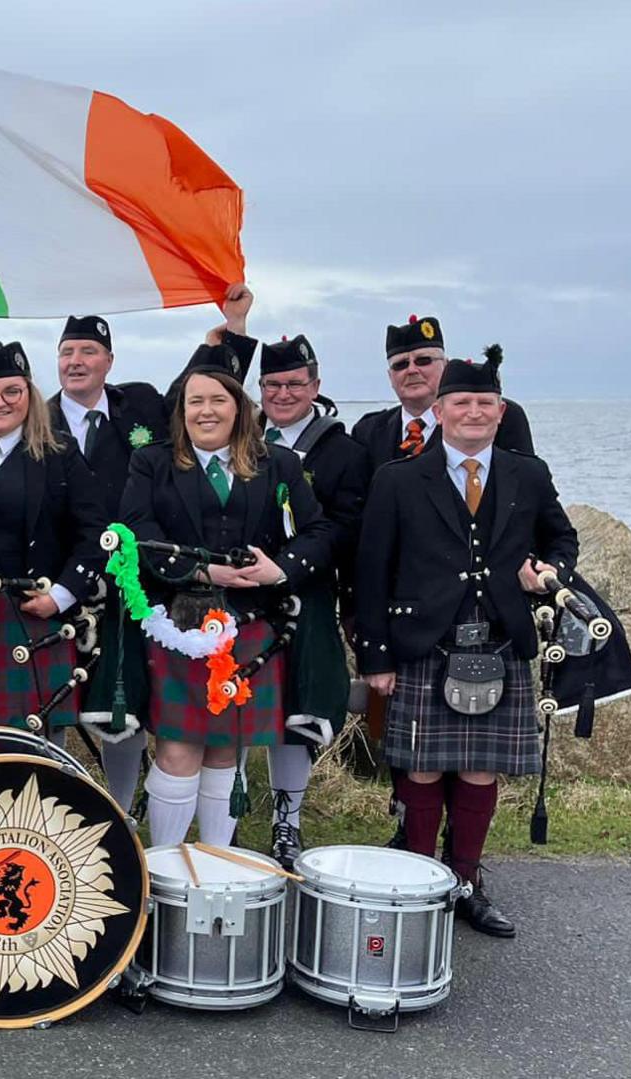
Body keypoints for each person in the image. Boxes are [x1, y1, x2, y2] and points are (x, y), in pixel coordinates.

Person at [355, 353, 576, 939]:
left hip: (499, 639)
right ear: (440, 409)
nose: (473, 412)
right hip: (424, 642)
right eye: (461, 402)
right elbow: (371, 571)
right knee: (422, 766)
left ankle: (466, 883)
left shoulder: (528, 474)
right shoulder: (398, 479)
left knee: (480, 770)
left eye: (484, 403)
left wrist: (547, 569)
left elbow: (561, 537)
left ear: (501, 413)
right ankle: (423, 880)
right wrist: (375, 658)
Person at [120, 343, 334, 848]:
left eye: (217, 400)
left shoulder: (277, 464)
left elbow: (319, 533)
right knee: (176, 750)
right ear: (181, 410)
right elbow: (134, 531)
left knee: (225, 750)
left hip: (251, 625)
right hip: (180, 622)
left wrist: (277, 570)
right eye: (195, 401)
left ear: (239, 407)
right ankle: (165, 871)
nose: (206, 410)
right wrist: (202, 568)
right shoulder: (152, 463)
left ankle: (216, 868)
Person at [43, 312, 172, 813]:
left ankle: (118, 812)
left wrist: (233, 334)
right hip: (58, 583)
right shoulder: (39, 416)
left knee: (121, 702)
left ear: (109, 361)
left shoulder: (138, 406)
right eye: (67, 352)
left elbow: (198, 395)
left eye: (88, 352)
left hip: (126, 585)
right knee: (49, 704)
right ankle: (48, 810)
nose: (76, 362)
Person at [0, 342, 109, 732]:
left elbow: (95, 535)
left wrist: (61, 596)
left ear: (29, 394)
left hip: (35, 614)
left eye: (12, 392)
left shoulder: (60, 454)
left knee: (40, 745)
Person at [257, 335, 371, 869]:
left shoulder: (344, 452)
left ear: (316, 387)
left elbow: (348, 530)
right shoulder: (238, 436)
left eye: (294, 384)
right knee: (229, 702)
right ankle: (225, 814)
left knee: (294, 712)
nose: (283, 394)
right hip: (236, 592)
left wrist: (291, 566)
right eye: (273, 384)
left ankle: (287, 820)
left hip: (306, 592)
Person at [351, 315, 534, 463]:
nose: (412, 370)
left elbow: (525, 486)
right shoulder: (368, 431)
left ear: (446, 366)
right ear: (390, 376)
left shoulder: (496, 417)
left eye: (424, 360)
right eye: (401, 365)